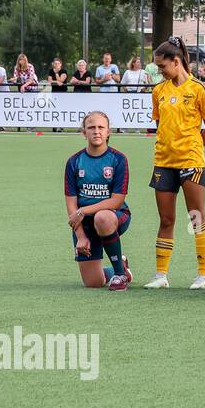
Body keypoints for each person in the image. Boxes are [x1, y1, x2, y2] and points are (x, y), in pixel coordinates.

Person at [142, 37, 205, 290]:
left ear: (177, 61)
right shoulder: (158, 91)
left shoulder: (199, 89)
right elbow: (160, 126)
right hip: (163, 162)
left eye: (162, 67)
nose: (160, 72)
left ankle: (203, 275)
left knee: (196, 217)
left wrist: (193, 148)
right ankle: (161, 275)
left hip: (191, 163)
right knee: (166, 220)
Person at [64, 111, 133, 289]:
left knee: (102, 217)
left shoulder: (118, 159)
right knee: (94, 283)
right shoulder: (74, 161)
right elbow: (71, 203)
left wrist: (83, 211)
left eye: (101, 127)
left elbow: (116, 201)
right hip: (83, 223)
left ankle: (119, 275)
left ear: (108, 132)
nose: (96, 131)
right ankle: (121, 266)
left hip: (115, 216)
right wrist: (80, 236)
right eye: (91, 127)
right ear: (83, 132)